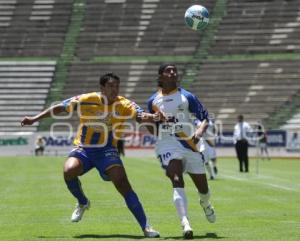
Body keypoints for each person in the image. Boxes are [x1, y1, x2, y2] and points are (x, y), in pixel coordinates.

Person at [21, 72, 161, 238]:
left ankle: (146, 227)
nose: (114, 90)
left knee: (122, 183)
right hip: (84, 148)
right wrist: (34, 119)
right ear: (102, 88)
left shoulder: (124, 103)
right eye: (110, 86)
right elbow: (60, 108)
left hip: (107, 150)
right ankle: (82, 202)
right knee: (69, 170)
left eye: (117, 86)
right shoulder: (86, 99)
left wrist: (152, 117)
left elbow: (140, 115)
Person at [147, 64, 216, 239]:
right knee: (176, 177)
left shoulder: (187, 96)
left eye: (174, 70)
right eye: (168, 70)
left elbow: (204, 118)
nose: (173, 73)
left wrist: (199, 134)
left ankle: (206, 203)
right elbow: (152, 129)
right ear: (161, 76)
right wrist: (153, 120)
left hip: (189, 144)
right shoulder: (153, 101)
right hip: (167, 143)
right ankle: (185, 222)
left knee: (203, 188)